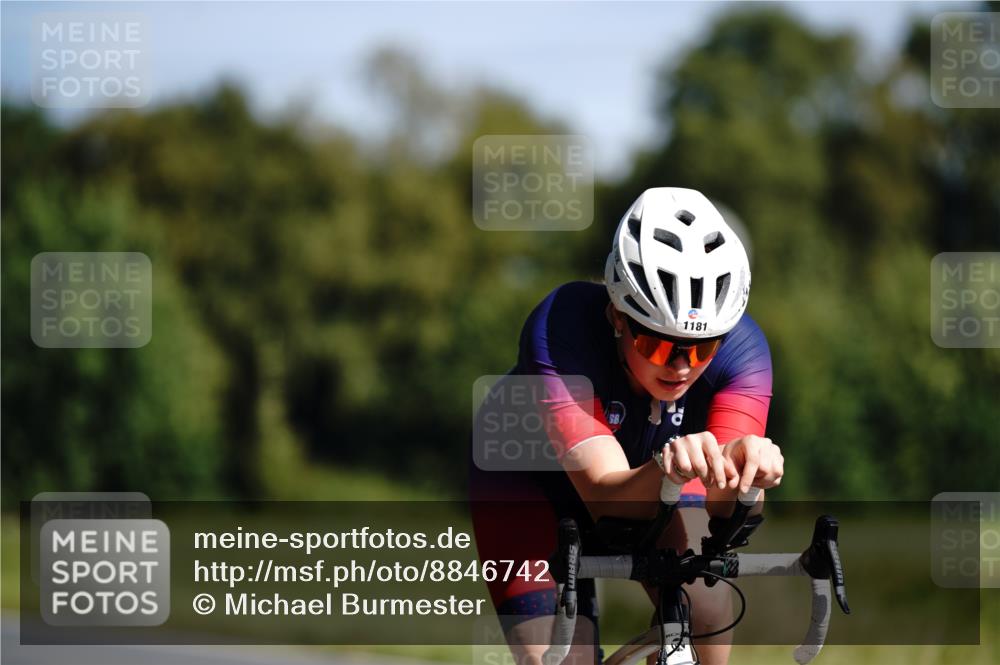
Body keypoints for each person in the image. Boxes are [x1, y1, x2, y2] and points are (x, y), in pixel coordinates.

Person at [469, 187, 784, 665]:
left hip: (654, 479)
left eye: (701, 349)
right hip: (530, 484)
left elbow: (725, 515)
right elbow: (605, 496)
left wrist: (748, 477)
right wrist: (667, 469)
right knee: (559, 660)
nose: (681, 366)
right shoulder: (561, 326)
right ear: (617, 315)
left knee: (708, 607)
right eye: (658, 346)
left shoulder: (745, 351)